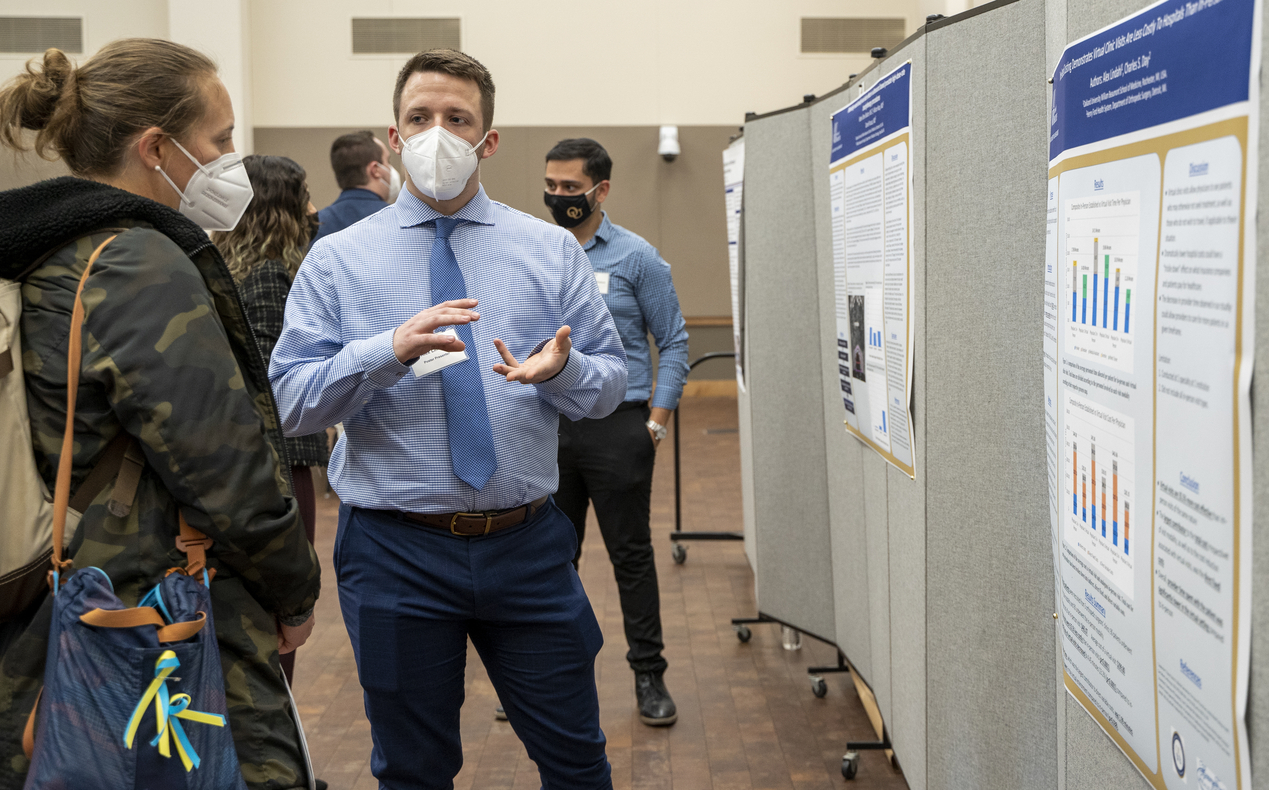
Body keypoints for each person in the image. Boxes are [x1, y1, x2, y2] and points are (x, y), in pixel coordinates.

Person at [270, 49, 626, 789]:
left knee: (575, 758)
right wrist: (384, 353)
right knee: (412, 768)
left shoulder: (549, 251)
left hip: (527, 544)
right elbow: (293, 400)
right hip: (396, 552)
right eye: (419, 118)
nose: (437, 133)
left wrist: (563, 371)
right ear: (392, 138)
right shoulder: (335, 260)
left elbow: (607, 388)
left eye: (457, 119)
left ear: (487, 140)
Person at [0, 39, 320, 790]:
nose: (231, 160)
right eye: (220, 140)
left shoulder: (40, 248)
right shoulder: (137, 261)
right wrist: (292, 589)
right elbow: (223, 465)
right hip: (149, 617)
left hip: (55, 596)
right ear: (156, 147)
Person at [543, 138, 689, 726]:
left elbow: (674, 340)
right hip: (550, 426)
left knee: (630, 555)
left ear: (601, 190)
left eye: (570, 189)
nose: (558, 198)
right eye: (550, 187)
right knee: (552, 558)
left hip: (620, 425)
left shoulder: (636, 258)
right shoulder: (538, 250)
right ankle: (546, 680)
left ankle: (649, 675)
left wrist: (655, 421)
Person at [213, 154, 330, 688]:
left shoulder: (229, 267)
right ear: (280, 206)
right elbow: (273, 390)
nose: (313, 208)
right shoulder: (271, 278)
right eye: (303, 196)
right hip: (280, 461)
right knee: (285, 605)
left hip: (264, 459)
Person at [312, 130, 399, 243]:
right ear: (375, 170)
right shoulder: (399, 220)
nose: (390, 169)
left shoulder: (315, 226)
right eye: (388, 161)